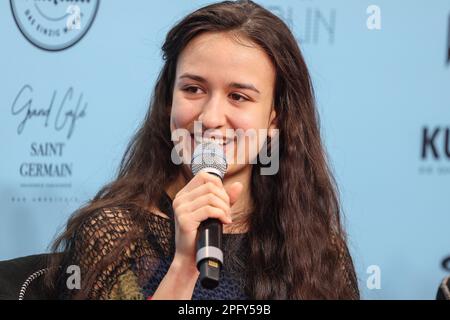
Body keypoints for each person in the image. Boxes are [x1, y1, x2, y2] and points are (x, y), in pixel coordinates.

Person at [46, 0, 359, 300]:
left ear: (274, 120)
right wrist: (183, 266)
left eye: (238, 96)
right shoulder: (113, 236)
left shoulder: (320, 250)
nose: (209, 118)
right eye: (193, 89)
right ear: (169, 100)